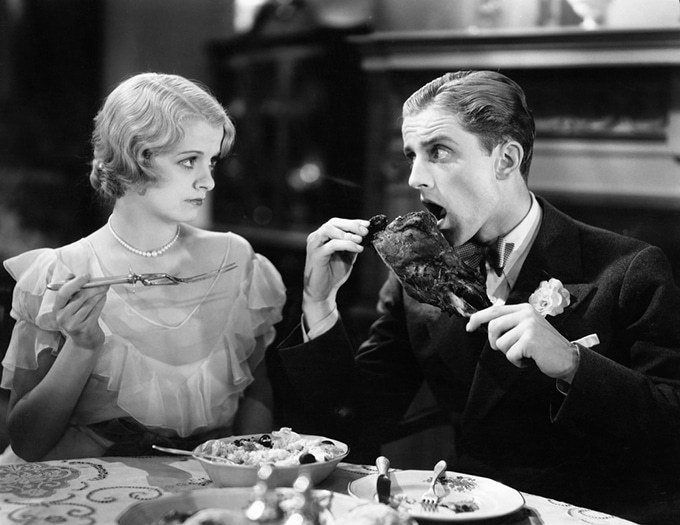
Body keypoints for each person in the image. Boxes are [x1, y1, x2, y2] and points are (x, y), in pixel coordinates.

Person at [276, 70, 680, 524]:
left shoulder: (630, 269)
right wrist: (319, 303)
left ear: (506, 159)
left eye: (438, 152)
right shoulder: (418, 276)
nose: (414, 178)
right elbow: (349, 423)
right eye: (411, 155)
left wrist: (572, 363)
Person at [1, 72, 286, 462]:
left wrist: (250, 476)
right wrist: (82, 348)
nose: (208, 182)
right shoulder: (62, 272)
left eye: (212, 161)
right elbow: (28, 443)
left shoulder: (235, 260)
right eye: (189, 162)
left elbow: (257, 391)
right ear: (136, 158)